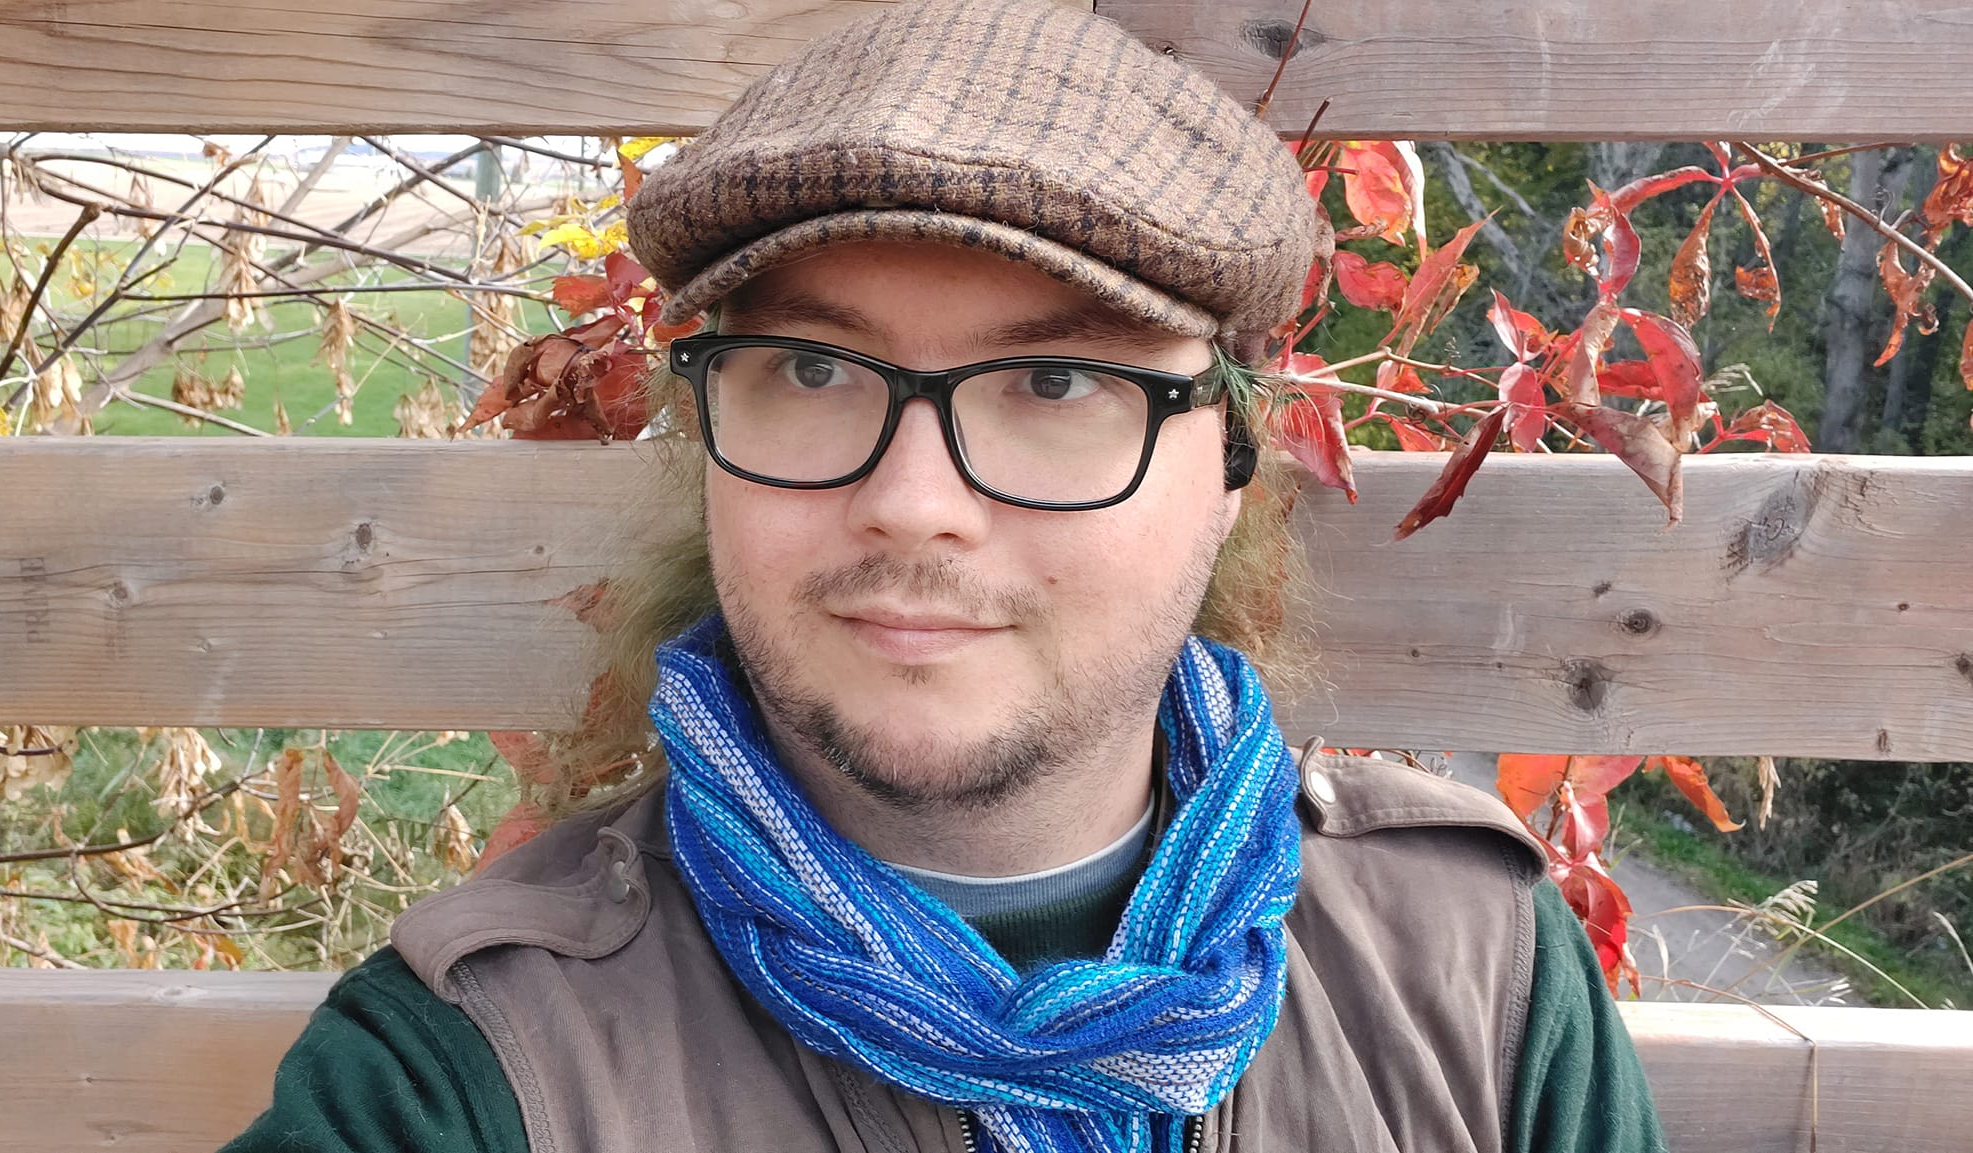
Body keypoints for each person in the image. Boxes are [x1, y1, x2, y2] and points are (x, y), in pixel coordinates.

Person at [223, 1, 1665, 1150]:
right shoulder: (475, 1075)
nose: (914, 501)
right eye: (810, 368)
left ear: (1231, 462)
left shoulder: (1477, 972)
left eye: (1052, 379)